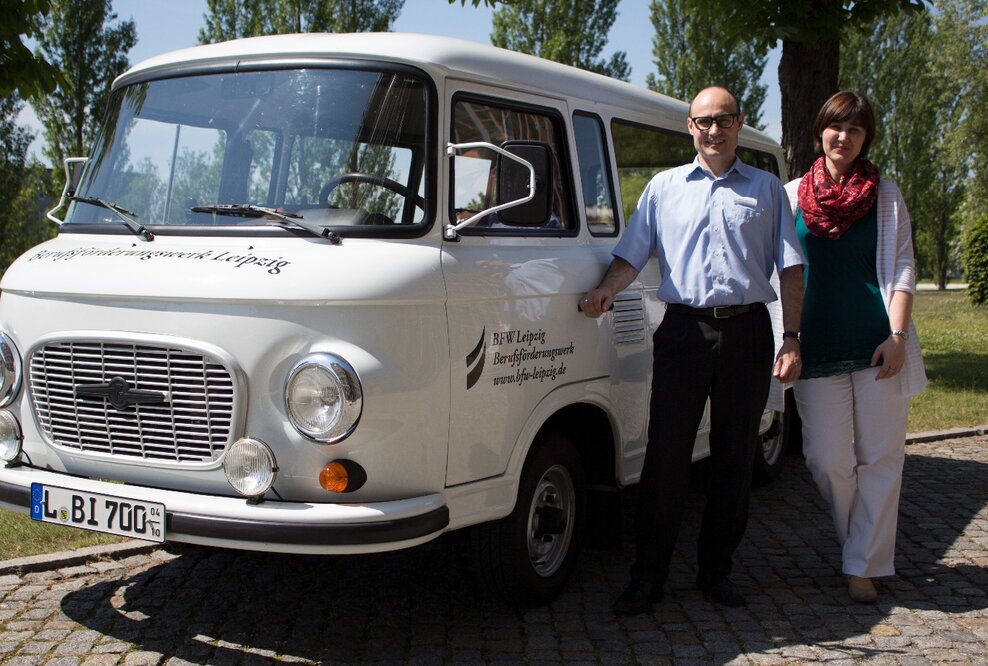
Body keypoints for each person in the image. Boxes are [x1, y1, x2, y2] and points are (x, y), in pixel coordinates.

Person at [580, 86, 805, 615]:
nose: (713, 129)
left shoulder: (768, 189)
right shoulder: (663, 188)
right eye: (703, 121)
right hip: (684, 334)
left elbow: (791, 268)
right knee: (665, 459)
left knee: (733, 458)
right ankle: (648, 578)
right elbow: (631, 255)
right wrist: (606, 291)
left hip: (748, 333)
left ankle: (715, 572)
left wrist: (791, 337)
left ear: (738, 124)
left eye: (723, 120)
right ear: (690, 127)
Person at [784, 91, 927, 604]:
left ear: (866, 139)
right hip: (812, 346)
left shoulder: (885, 195)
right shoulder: (790, 194)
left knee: (880, 458)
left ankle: (862, 564)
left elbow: (905, 267)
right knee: (825, 458)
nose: (843, 137)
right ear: (819, 131)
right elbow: (777, 269)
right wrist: (786, 337)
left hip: (876, 345)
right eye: (835, 127)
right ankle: (859, 547)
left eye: (855, 130)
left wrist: (898, 337)